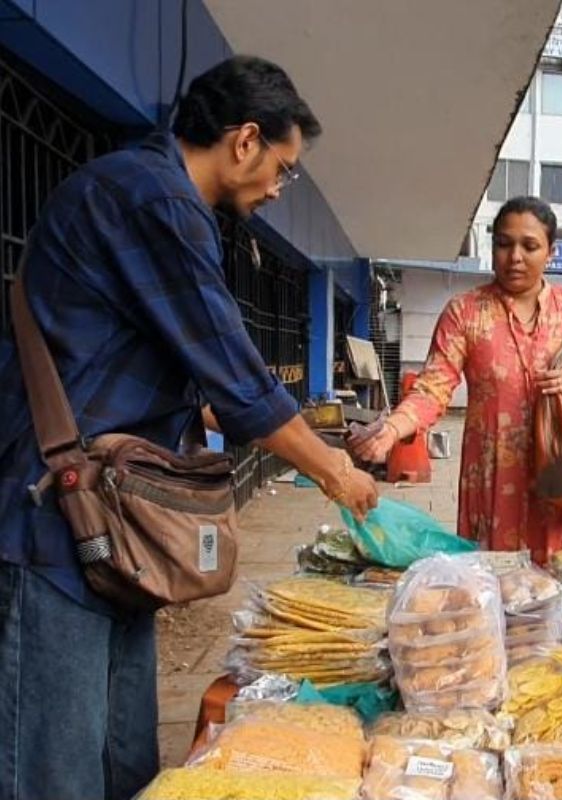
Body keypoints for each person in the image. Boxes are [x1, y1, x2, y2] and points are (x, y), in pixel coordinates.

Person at [0, 57, 380, 800]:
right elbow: (237, 376)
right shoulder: (154, 199)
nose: (277, 187)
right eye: (283, 167)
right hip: (57, 520)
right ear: (244, 141)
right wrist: (336, 472)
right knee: (58, 769)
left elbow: (174, 364)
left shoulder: (153, 195)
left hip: (112, 529)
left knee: (123, 756)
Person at [351, 197, 562, 564]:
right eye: (503, 243)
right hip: (497, 482)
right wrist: (393, 428)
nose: (515, 256)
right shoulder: (465, 312)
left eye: (529, 246)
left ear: (551, 252)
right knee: (497, 591)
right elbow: (433, 386)